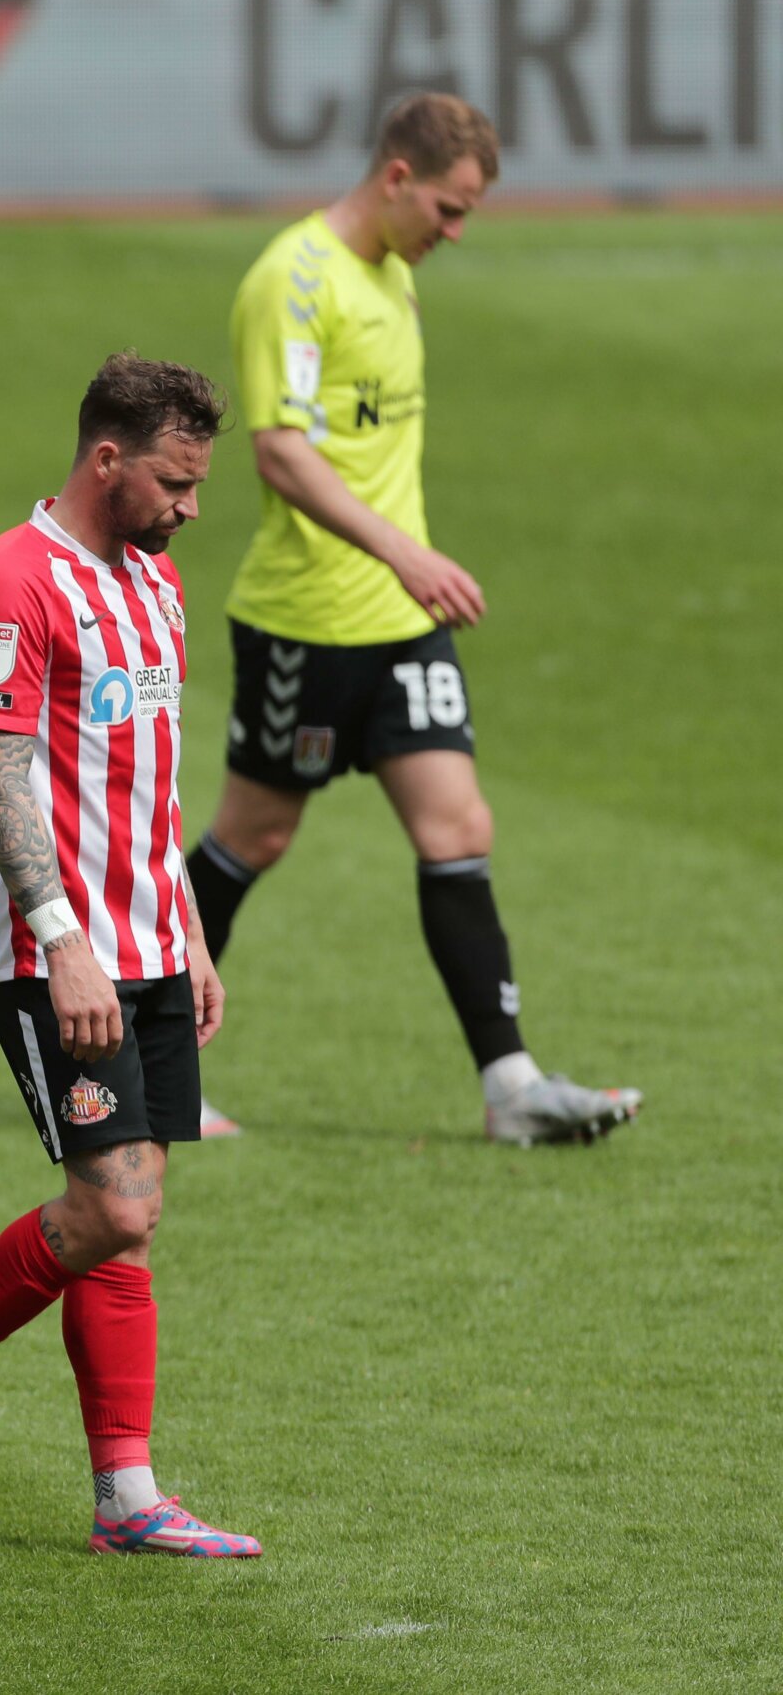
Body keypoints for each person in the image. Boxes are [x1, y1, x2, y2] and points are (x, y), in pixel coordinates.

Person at [186, 93, 639, 1147]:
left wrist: (405, 573)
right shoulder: (291, 281)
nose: (454, 231)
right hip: (303, 619)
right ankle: (156, 1074)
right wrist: (405, 550)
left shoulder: (392, 277)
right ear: (395, 177)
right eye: (447, 207)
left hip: (400, 624)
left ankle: (511, 1086)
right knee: (255, 834)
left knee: (456, 826)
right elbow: (280, 451)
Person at [0, 355, 261, 1559]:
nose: (191, 504)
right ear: (107, 460)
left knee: (129, 1221)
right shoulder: (8, 584)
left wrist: (186, 930)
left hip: (147, 942)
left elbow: (151, 775)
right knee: (110, 1203)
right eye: (175, 480)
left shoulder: (154, 581)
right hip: (60, 956)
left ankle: (127, 1499)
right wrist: (64, 944)